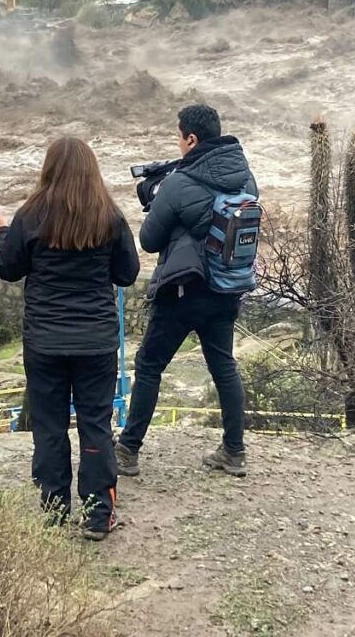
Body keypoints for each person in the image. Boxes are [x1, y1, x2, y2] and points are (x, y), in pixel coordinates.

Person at [0, 137, 140, 540]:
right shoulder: (109, 216)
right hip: (95, 341)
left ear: (48, 168)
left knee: (49, 425)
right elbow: (127, 274)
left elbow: (8, 269)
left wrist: (3, 231)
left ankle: (53, 508)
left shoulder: (30, 214)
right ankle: (97, 514)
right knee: (96, 423)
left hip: (44, 341)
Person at [115, 104, 257, 478]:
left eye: (179, 138)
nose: (178, 145)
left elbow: (148, 240)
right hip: (227, 288)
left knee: (149, 366)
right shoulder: (246, 178)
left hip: (183, 290)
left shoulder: (178, 183)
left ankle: (128, 450)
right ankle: (234, 451)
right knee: (223, 366)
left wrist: (160, 202)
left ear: (191, 139)